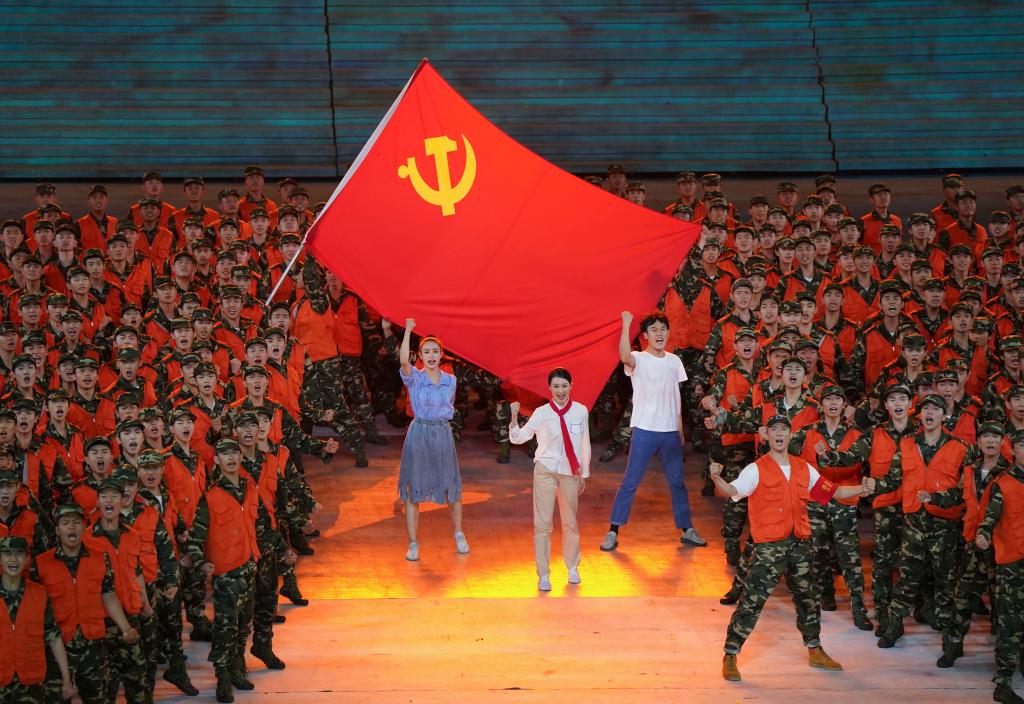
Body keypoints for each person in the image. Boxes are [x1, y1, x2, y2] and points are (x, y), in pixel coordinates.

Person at [709, 414, 871, 682]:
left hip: (800, 545)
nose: (779, 434)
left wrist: (860, 489)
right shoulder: (755, 469)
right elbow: (731, 490)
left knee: (808, 599)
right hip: (769, 548)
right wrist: (716, 478)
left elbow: (832, 492)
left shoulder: (803, 468)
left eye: (784, 429)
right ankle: (731, 653)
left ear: (791, 435)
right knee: (752, 601)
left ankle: (815, 650)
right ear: (766, 435)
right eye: (774, 430)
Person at [601, 311, 705, 551]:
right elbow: (624, 355)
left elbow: (675, 395)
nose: (659, 333)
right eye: (654, 330)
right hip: (645, 430)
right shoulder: (639, 359)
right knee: (631, 481)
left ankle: (687, 529)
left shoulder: (674, 361)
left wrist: (679, 427)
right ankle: (613, 530)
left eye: (663, 329)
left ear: (668, 332)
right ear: (645, 335)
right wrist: (626, 324)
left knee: (677, 482)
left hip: (670, 432)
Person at [508, 368, 590, 591]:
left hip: (570, 472)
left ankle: (572, 567)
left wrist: (584, 473)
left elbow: (585, 443)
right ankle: (543, 574)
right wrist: (514, 417)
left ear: (571, 386)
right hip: (545, 470)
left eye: (564, 386)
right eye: (556, 386)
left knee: (570, 521)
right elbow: (519, 438)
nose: (560, 391)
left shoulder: (580, 411)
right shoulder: (542, 413)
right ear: (549, 389)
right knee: (542, 524)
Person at [398, 319, 468, 562]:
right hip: (420, 433)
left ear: (441, 355)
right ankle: (413, 543)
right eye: (426, 352)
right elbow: (403, 361)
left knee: (452, 486)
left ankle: (459, 533)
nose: (430, 356)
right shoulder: (415, 378)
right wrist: (408, 330)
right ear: (420, 355)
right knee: (413, 490)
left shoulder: (450, 380)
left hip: (442, 433)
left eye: (435, 352)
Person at [974, 430, 1024, 704]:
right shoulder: (1002, 483)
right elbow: (988, 519)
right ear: (1012, 451)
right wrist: (983, 535)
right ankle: (1003, 682)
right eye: (1022, 446)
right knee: (1010, 624)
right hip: (1014, 564)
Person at [0, 535, 75, 704]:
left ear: (27, 559)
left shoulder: (39, 593)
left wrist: (66, 678)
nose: (13, 559)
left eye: (19, 553)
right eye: (7, 554)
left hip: (31, 683)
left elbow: (54, 637)